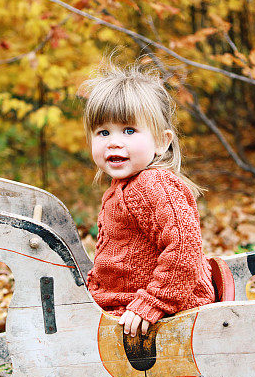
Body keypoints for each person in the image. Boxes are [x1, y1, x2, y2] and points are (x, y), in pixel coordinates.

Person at [82, 62, 215, 337]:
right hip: (126, 302)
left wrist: (156, 301)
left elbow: (183, 247)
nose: (114, 142)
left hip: (169, 311)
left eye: (129, 130)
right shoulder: (121, 187)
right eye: (103, 132)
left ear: (161, 142)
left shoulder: (155, 184)